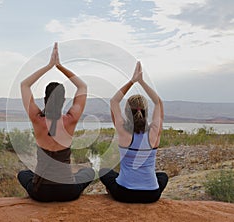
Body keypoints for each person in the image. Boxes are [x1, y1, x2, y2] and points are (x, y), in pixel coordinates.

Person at [17, 42, 95, 202]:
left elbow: (24, 84)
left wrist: (49, 66)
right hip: (67, 191)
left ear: (45, 99)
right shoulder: (71, 119)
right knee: (89, 172)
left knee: (23, 174)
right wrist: (60, 66)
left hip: (41, 193)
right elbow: (82, 86)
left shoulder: (37, 119)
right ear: (64, 100)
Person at [99, 61, 168, 203]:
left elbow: (114, 101)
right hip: (151, 195)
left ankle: (113, 190)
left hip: (124, 194)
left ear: (126, 112)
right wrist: (142, 82)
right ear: (146, 112)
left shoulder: (123, 131)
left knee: (104, 171)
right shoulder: (155, 132)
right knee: (162, 177)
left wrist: (133, 80)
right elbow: (158, 103)